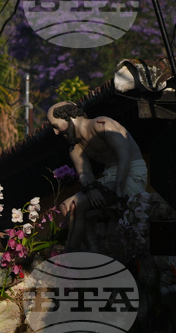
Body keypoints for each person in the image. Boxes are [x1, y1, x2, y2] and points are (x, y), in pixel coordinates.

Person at [47, 101, 146, 251]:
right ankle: (92, 252)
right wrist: (91, 188)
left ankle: (70, 254)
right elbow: (84, 173)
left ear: (67, 116)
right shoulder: (75, 147)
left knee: (77, 205)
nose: (55, 132)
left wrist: (119, 190)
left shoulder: (101, 124)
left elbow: (124, 155)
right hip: (108, 178)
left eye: (55, 126)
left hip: (129, 173)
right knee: (65, 206)